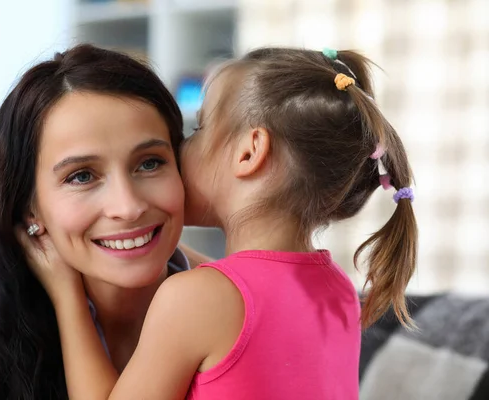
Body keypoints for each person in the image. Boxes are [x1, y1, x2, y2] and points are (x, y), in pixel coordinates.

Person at [23, 47, 418, 400]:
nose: (181, 149)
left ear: (249, 153)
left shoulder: (194, 298)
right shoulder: (337, 290)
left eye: (199, 129)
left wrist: (67, 297)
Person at [0, 44, 211, 400]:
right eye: (82, 176)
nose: (128, 207)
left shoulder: (235, 316)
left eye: (150, 163)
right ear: (29, 208)